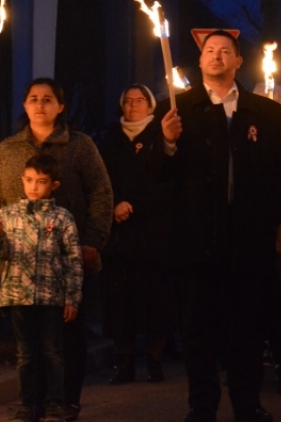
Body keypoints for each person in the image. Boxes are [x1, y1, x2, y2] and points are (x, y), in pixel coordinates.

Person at [0, 77, 112, 421]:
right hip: (23, 267)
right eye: (33, 99)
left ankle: (65, 400)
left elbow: (100, 193)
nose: (40, 104)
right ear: (25, 106)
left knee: (65, 339)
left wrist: (92, 240)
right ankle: (32, 402)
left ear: (60, 107)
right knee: (30, 345)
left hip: (65, 259)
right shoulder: (9, 149)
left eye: (48, 99)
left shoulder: (79, 146)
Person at [158, 30, 281, 422]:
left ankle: (247, 404)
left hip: (249, 240)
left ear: (239, 61)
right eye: (209, 51)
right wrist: (167, 142)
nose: (217, 56)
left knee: (248, 332)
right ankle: (201, 406)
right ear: (200, 61)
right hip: (196, 240)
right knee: (199, 332)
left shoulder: (265, 112)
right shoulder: (175, 109)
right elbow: (154, 174)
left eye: (225, 51)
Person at [0, 154, 83, 422]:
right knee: (25, 355)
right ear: (22, 180)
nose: (33, 187)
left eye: (41, 182)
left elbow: (73, 261)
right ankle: (26, 406)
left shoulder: (62, 218)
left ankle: (55, 405)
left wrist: (72, 298)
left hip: (51, 296)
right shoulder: (7, 215)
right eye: (29, 180)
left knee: (52, 353)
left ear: (54, 185)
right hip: (19, 295)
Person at [98, 84, 174, 385]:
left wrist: (136, 206)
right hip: (119, 237)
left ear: (150, 105)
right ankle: (124, 363)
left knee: (155, 302)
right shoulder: (110, 139)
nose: (133, 106)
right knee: (120, 304)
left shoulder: (160, 137)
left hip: (152, 234)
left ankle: (155, 362)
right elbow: (101, 178)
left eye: (139, 101)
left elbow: (166, 183)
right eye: (127, 101)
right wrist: (115, 204)